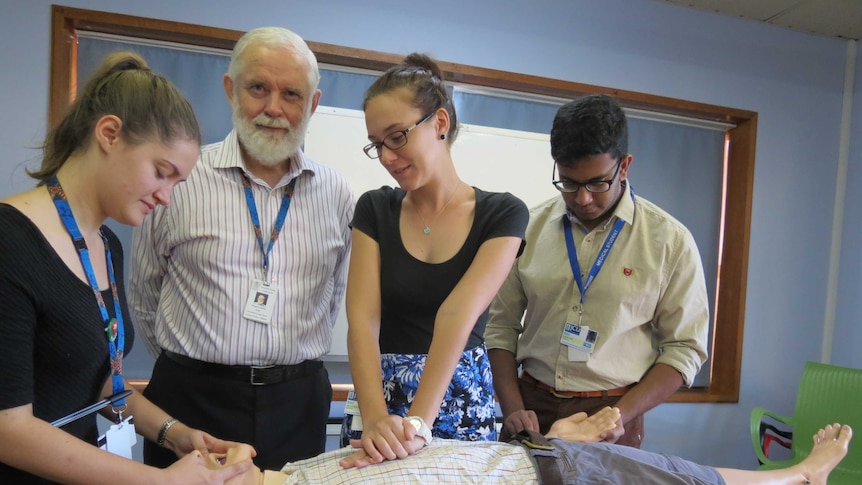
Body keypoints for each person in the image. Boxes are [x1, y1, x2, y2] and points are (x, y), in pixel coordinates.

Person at [0, 52, 252, 484]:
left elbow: (97, 379)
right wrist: (161, 481)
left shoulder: (106, 244)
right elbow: (8, 428)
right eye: (161, 172)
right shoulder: (10, 242)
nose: (166, 197)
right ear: (110, 134)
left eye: (177, 183)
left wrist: (176, 434)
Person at [130, 27, 354, 470]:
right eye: (258, 88)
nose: (274, 108)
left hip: (298, 402)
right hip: (192, 397)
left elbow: (332, 297)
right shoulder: (182, 178)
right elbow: (143, 293)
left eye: (291, 94)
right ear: (231, 90)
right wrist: (200, 369)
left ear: (312, 105)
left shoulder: (337, 193)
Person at [486, 93, 710, 447]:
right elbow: (500, 327)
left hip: (615, 411)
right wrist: (512, 407)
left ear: (624, 166)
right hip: (531, 407)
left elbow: (685, 348)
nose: (583, 198)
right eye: (570, 183)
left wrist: (617, 416)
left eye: (597, 183)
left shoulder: (669, 241)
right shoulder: (528, 228)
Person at [340, 53, 529, 462]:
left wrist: (418, 425)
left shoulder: (503, 214)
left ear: (439, 123)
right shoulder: (375, 209)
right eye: (377, 144)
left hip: (459, 401)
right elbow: (362, 317)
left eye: (397, 136)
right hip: (379, 397)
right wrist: (375, 418)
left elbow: (457, 315)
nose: (387, 156)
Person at [218, 411, 854, 485]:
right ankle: (797, 479)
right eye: (214, 469)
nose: (224, 455)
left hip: (537, 457)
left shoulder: (298, 471)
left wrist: (546, 440)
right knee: (681, 479)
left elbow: (435, 463)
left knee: (676, 473)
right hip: (554, 480)